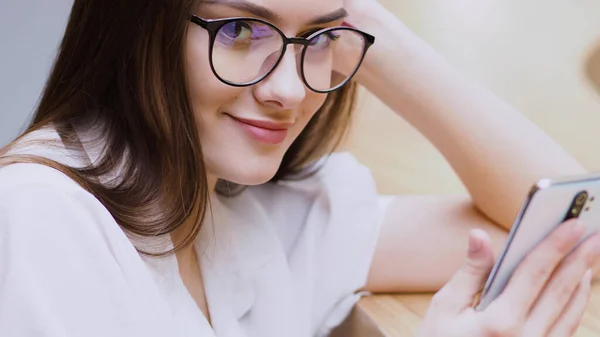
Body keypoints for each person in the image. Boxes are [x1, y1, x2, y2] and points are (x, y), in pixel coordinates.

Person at [0, 0, 598, 336]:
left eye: (319, 39)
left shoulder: (251, 213)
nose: (288, 88)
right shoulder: (37, 218)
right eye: (239, 30)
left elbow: (572, 225)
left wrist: (365, 25)